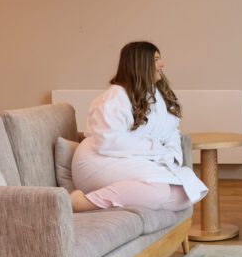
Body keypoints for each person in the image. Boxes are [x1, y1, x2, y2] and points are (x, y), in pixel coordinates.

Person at [70, 42, 207, 212]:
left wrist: (171, 155)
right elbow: (108, 141)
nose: (162, 64)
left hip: (134, 158)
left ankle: (135, 195)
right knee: (160, 191)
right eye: (156, 59)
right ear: (141, 63)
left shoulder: (157, 95)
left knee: (186, 194)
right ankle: (82, 202)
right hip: (99, 159)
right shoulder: (115, 96)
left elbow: (172, 133)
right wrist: (155, 149)